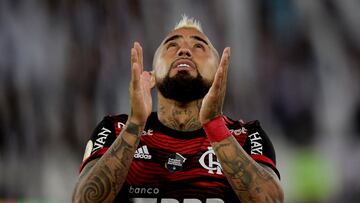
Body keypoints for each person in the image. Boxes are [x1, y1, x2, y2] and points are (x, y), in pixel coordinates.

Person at [72, 15, 284, 203]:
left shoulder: (247, 136)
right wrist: (135, 125)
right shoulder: (115, 129)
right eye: (171, 46)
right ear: (153, 74)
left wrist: (214, 126)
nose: (184, 50)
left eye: (199, 46)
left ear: (218, 70)